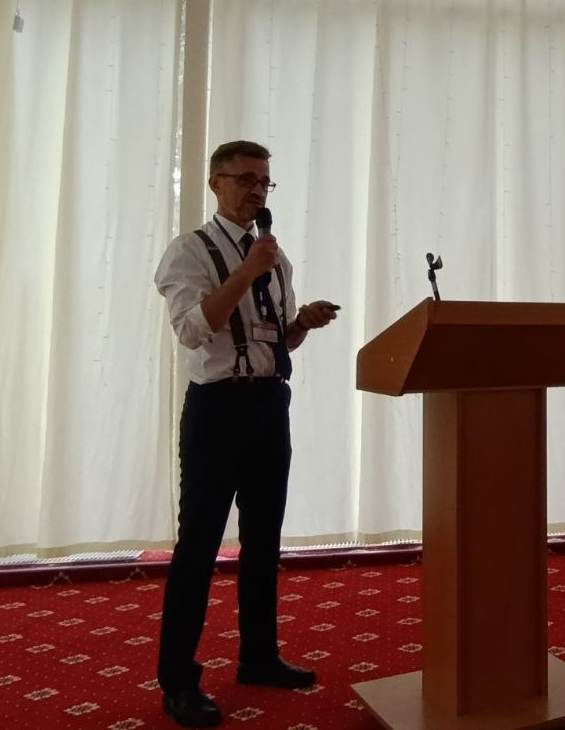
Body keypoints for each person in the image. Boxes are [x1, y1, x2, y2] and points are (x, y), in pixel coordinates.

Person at [153, 140, 339, 728]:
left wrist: (301, 322)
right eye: (247, 179)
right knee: (199, 546)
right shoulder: (190, 251)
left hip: (268, 405)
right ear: (216, 183)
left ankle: (259, 657)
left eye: (265, 181)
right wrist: (247, 270)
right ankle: (178, 681)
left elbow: (275, 340)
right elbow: (193, 330)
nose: (258, 190)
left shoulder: (275, 258)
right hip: (215, 411)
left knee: (264, 541)